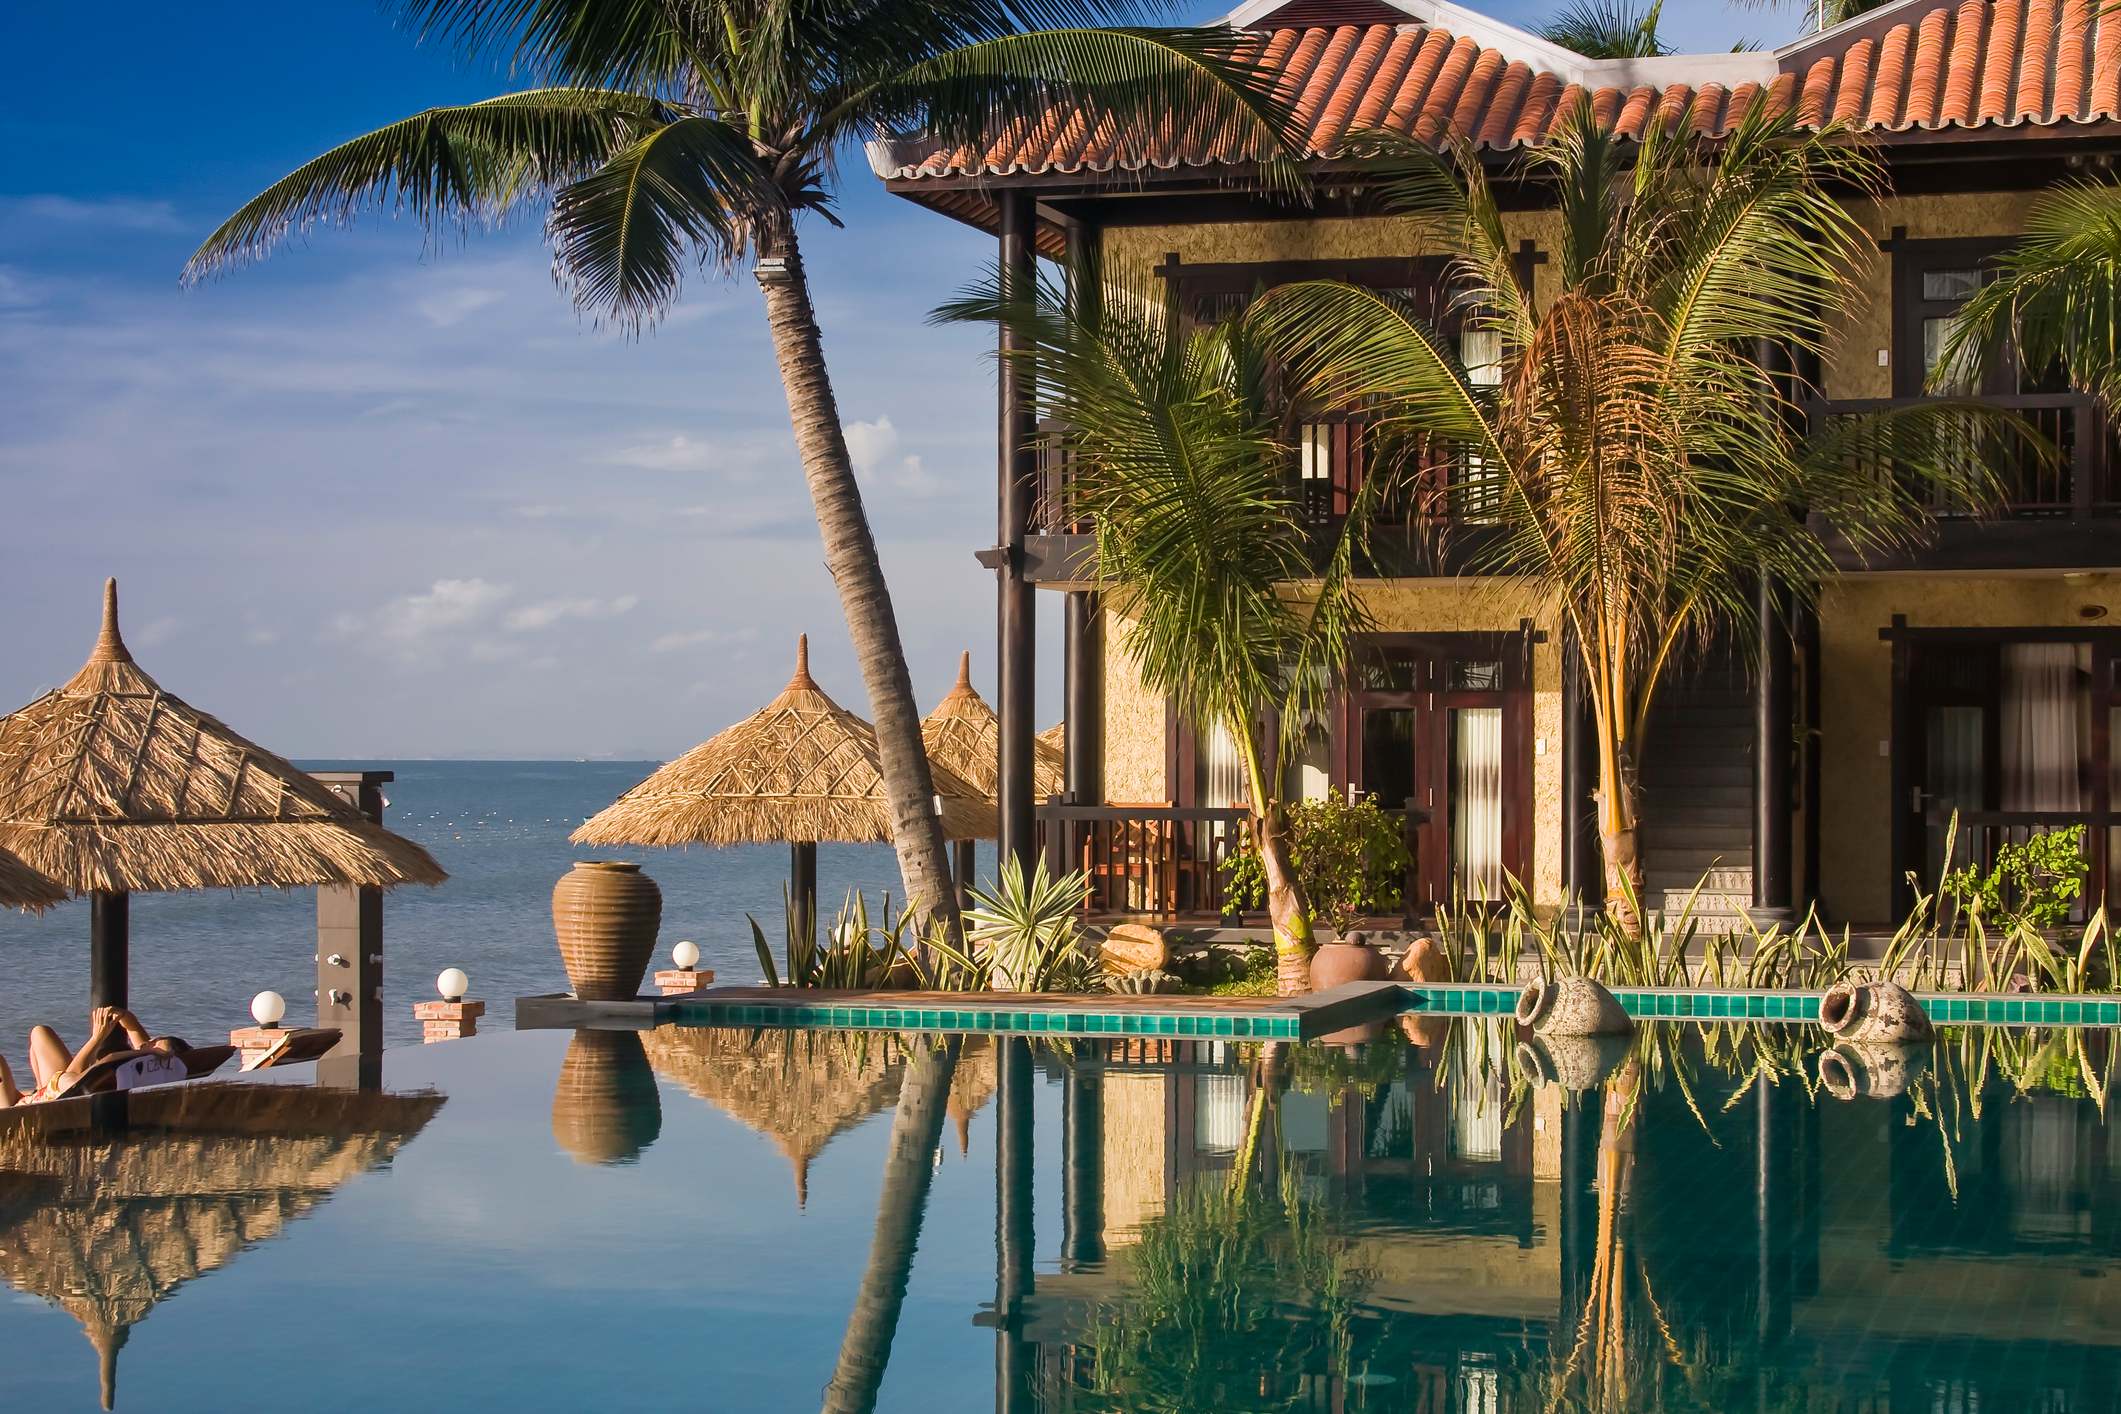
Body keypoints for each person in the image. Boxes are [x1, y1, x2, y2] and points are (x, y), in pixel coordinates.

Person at [0, 1006, 196, 1106]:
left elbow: (72, 1075)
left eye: (154, 1044)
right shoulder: (149, 1063)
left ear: (159, 1055)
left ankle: (13, 1102)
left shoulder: (130, 1061)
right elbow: (134, 1028)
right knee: (40, 1032)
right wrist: (119, 1014)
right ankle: (32, 1091)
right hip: (52, 1089)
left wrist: (97, 1037)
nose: (147, 1043)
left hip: (52, 1095)